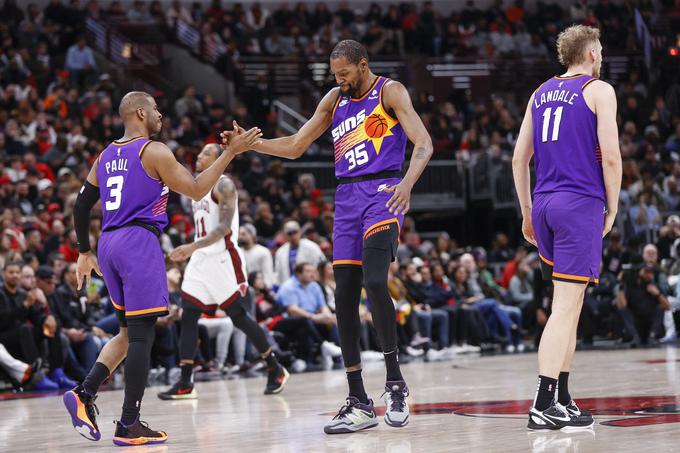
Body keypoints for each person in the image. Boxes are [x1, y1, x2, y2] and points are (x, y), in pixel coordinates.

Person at [225, 39, 433, 433]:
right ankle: (358, 401)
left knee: (375, 281)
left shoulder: (390, 91)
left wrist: (407, 183)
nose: (339, 81)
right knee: (343, 297)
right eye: (335, 75)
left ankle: (395, 383)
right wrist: (249, 146)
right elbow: (295, 146)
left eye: (344, 74)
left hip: (383, 193)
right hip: (347, 198)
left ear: (363, 65)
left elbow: (423, 143)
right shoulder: (334, 99)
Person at [62, 91, 261, 446]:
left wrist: (83, 251)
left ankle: (84, 393)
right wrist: (231, 152)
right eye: (155, 108)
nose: (160, 114)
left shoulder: (106, 154)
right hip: (138, 242)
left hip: (108, 243)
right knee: (142, 336)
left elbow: (81, 206)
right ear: (140, 112)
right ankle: (129, 423)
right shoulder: (152, 150)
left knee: (126, 334)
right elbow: (198, 189)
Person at [512, 25, 622, 430]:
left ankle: (562, 397)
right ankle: (542, 402)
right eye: (601, 50)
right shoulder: (599, 91)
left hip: (543, 205)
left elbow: (518, 160)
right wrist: (612, 206)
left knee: (570, 308)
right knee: (563, 309)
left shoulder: (540, 93)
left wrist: (526, 211)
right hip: (579, 205)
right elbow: (611, 157)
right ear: (592, 53)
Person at [157, 143, 288, 401]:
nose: (199, 155)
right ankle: (185, 381)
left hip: (223, 258)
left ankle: (275, 366)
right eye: (200, 151)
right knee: (189, 313)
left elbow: (225, 228)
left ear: (220, 159)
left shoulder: (224, 185)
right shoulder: (197, 188)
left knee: (239, 317)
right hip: (201, 260)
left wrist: (192, 246)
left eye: (206, 153)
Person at [274, 220, 326, 286]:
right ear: (285, 235)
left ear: (300, 232)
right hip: (289, 288)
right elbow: (278, 274)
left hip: (311, 285)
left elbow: (321, 266)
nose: (293, 236)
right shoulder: (280, 252)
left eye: (295, 232)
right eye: (289, 233)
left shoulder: (312, 247)